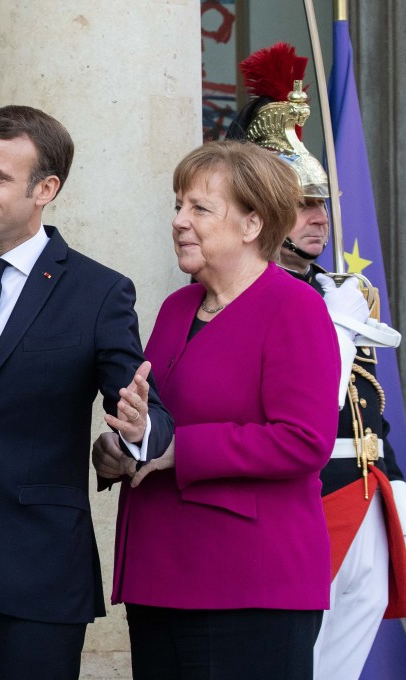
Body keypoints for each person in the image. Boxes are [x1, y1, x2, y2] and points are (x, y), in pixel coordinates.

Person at [0, 104, 174, 680]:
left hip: (38, 573)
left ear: (46, 188)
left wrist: (139, 430)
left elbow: (149, 412)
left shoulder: (98, 292)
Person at [93, 140, 340, 679]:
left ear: (252, 225)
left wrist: (179, 451)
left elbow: (304, 440)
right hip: (160, 576)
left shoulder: (294, 306)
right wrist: (123, 447)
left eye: (199, 208)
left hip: (250, 585)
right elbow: (157, 420)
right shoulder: (178, 306)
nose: (180, 221)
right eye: (178, 206)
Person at [225, 42, 406, 680]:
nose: (320, 218)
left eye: (321, 204)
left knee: (350, 647)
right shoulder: (246, 298)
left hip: (370, 495)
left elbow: (368, 401)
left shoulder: (341, 294)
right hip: (307, 498)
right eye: (303, 205)